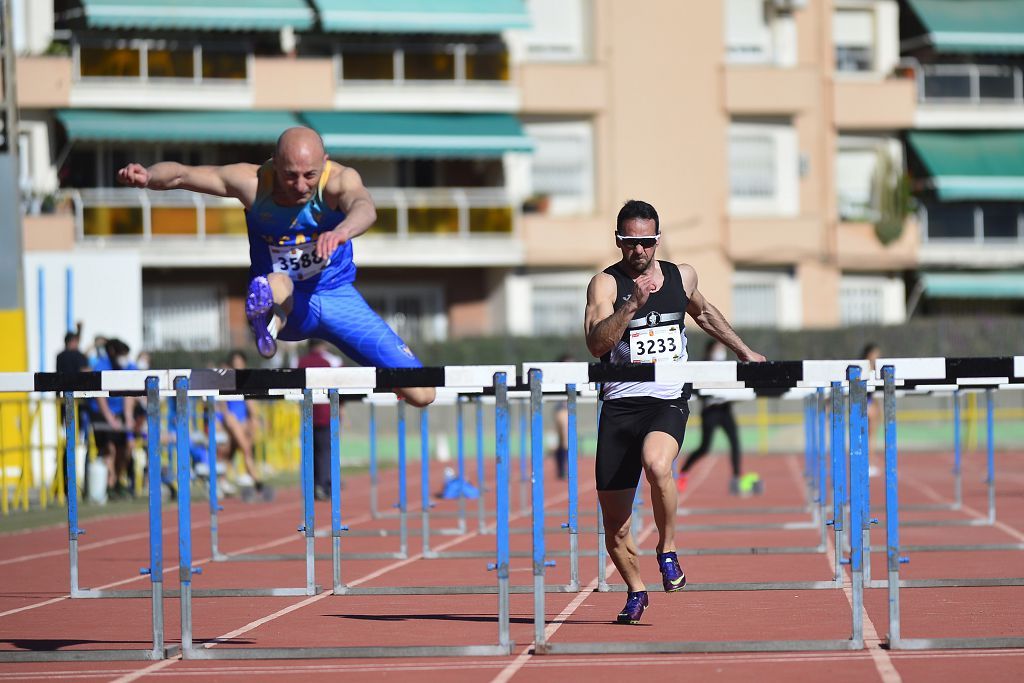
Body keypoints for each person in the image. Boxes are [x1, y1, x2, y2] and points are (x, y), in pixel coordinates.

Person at [116, 127, 435, 408]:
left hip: (337, 297)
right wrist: (148, 176)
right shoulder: (254, 183)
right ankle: (268, 323)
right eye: (289, 175)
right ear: (274, 164)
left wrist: (342, 231)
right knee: (278, 282)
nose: (299, 185)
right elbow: (183, 174)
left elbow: (364, 206)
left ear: (324, 162)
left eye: (309, 175)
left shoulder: (339, 180)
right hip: (288, 300)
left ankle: (270, 327)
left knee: (424, 393)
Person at [584, 199, 765, 625]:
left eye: (647, 242)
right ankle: (636, 589)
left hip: (666, 398)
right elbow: (595, 344)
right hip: (619, 404)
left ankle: (667, 548)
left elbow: (703, 313)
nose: (640, 251)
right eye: (631, 242)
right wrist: (630, 305)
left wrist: (743, 350)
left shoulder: (681, 276)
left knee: (657, 463)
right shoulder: (605, 286)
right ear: (619, 241)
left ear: (657, 240)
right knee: (617, 528)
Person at [677, 339, 743, 495]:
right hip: (710, 411)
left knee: (735, 443)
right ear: (710, 350)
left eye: (722, 348)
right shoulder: (703, 367)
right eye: (718, 348)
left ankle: (736, 478)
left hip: (725, 409)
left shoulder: (727, 367)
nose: (721, 351)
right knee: (704, 447)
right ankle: (684, 471)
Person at [216, 350, 272, 500]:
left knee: (231, 450)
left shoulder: (247, 380)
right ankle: (256, 480)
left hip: (243, 420)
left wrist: (255, 419)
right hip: (232, 419)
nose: (238, 366)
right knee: (246, 449)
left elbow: (251, 404)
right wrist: (226, 419)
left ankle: (221, 480)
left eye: (240, 364)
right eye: (235, 364)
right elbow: (222, 405)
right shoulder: (226, 379)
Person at [88, 338, 137, 499]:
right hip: (100, 413)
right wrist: (109, 418)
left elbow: (131, 392)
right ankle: (110, 483)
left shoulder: (128, 367)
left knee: (127, 448)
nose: (125, 358)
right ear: (112, 352)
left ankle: (117, 480)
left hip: (121, 412)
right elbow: (99, 396)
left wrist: (128, 416)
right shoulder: (101, 366)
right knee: (110, 448)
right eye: (122, 354)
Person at [297, 339, 344, 500]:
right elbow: (335, 389)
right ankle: (324, 486)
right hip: (325, 414)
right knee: (325, 452)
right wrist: (340, 410)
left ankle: (312, 486)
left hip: (308, 414)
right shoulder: (326, 362)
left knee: (310, 452)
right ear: (322, 345)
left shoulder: (302, 362)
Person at [551, 353, 574, 480]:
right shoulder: (558, 376)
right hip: (561, 409)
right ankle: (563, 470)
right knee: (564, 439)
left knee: (563, 440)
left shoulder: (574, 375)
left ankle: (561, 470)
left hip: (565, 408)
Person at [862, 342, 882, 477]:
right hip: (864, 403)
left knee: (871, 435)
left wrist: (876, 404)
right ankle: (867, 464)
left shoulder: (875, 367)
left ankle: (870, 463)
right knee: (867, 436)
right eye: (875, 354)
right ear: (868, 354)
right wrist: (870, 405)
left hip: (870, 402)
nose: (877, 357)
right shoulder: (864, 367)